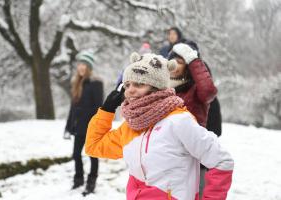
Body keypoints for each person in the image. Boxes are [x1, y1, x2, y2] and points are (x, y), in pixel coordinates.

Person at [85, 52, 233, 199]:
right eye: (127, 84)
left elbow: (222, 161)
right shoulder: (131, 126)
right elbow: (94, 146)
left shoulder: (179, 121)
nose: (130, 90)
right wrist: (106, 110)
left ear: (156, 87)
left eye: (139, 84)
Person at [168, 42, 219, 198]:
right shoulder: (163, 87)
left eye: (181, 61)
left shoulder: (196, 89)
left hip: (192, 155)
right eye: (174, 60)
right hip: (168, 153)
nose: (176, 65)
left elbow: (209, 91)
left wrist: (193, 59)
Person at [64, 51, 103, 195]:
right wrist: (68, 126)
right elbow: (72, 108)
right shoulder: (75, 83)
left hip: (90, 126)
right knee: (76, 154)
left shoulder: (96, 83)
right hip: (78, 126)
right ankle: (78, 179)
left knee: (93, 155)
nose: (81, 67)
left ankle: (91, 182)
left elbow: (99, 106)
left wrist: (96, 125)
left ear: (89, 67)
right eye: (79, 64)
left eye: (84, 65)